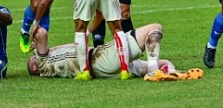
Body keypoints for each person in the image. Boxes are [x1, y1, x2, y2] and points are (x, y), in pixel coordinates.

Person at [31, 0, 131, 80]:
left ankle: (85, 72)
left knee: (80, 30)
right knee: (118, 29)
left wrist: (36, 24)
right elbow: (99, 15)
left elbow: (44, 3)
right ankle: (124, 71)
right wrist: (89, 32)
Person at [27, 22, 204, 81]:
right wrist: (32, 35)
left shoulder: (52, 60)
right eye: (31, 60)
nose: (32, 57)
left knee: (162, 62)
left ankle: (171, 72)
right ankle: (152, 72)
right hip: (100, 58)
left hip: (104, 67)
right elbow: (41, 32)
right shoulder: (43, 63)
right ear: (35, 67)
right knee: (155, 28)